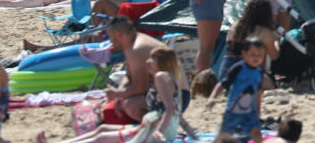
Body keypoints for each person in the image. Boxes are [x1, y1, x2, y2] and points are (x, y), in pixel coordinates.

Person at [35, 47, 195, 143]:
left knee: (101, 139)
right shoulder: (167, 78)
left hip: (153, 129)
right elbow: (175, 109)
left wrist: (158, 132)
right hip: (154, 126)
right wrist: (189, 131)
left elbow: (170, 107)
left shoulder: (161, 77)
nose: (147, 62)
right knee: (102, 129)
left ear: (161, 62)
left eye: (152, 59)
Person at [103, 17, 171, 124]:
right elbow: (128, 76)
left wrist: (119, 94)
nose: (110, 42)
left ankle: (151, 130)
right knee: (119, 103)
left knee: (131, 105)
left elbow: (140, 88)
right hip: (162, 90)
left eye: (110, 37)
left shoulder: (137, 50)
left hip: (175, 95)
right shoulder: (131, 44)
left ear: (119, 35)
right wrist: (119, 92)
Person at [212, 37, 267, 143]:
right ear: (244, 54)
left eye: (260, 55)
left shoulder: (259, 72)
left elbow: (258, 93)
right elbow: (223, 84)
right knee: (224, 134)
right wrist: (212, 97)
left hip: (250, 111)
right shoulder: (238, 68)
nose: (256, 58)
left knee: (256, 132)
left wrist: (258, 112)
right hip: (233, 109)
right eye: (253, 54)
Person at [220, 0, 280, 80]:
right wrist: (276, 41)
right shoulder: (264, 32)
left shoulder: (235, 26)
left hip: (226, 72)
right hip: (246, 74)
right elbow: (274, 56)